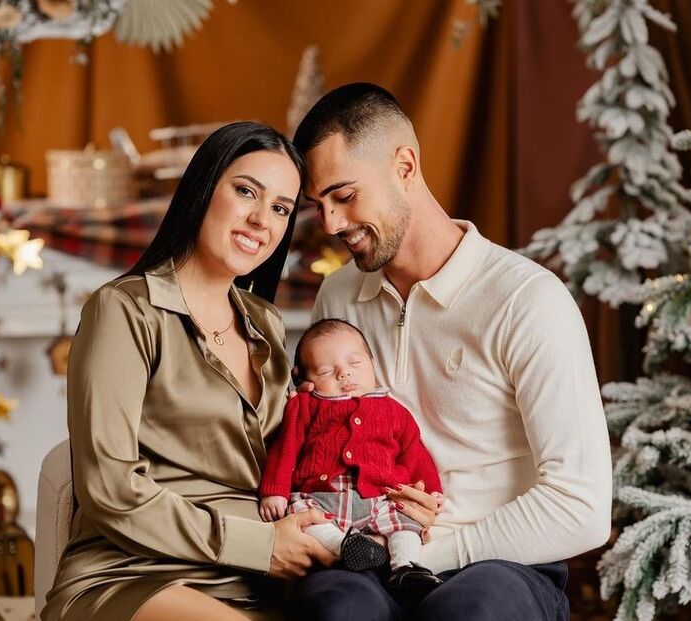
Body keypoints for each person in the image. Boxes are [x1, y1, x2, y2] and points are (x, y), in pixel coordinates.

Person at [288, 83, 613, 620]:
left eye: (344, 196)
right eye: (318, 205)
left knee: (468, 612)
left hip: (501, 565)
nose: (331, 226)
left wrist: (426, 556)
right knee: (334, 610)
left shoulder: (527, 300)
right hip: (362, 551)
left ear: (406, 166)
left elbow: (581, 508)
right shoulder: (339, 295)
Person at [41, 122, 336, 621]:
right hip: (137, 573)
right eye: (246, 191)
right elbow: (109, 488)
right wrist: (257, 544)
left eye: (281, 208)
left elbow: (292, 458)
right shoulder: (124, 310)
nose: (261, 219)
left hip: (259, 580)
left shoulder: (265, 323)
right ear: (204, 188)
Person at [259, 318, 444, 587]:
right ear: (305, 379)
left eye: (355, 364)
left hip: (379, 496)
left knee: (404, 522)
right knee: (300, 512)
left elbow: (413, 452)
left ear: (372, 363)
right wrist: (274, 490)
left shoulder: (393, 410)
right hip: (322, 497)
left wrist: (431, 490)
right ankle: (344, 546)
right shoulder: (306, 406)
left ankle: (407, 568)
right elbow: (286, 448)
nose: (344, 374)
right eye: (325, 371)